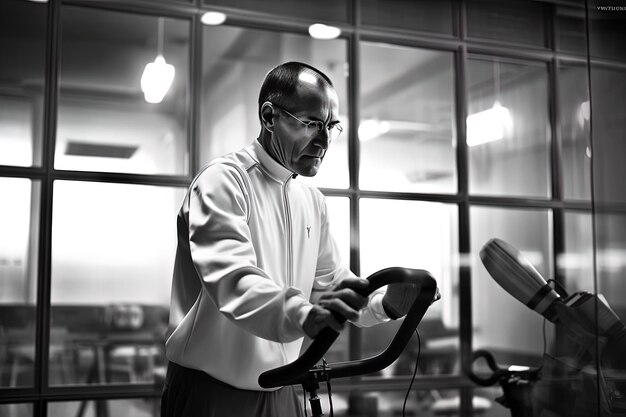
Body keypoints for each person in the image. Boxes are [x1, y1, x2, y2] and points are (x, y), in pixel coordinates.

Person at [161, 61, 432, 417]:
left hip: (284, 390)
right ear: (269, 117)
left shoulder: (311, 201)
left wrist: (386, 303)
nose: (323, 141)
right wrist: (304, 314)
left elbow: (332, 286)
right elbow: (232, 281)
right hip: (213, 394)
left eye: (330, 127)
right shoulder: (224, 182)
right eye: (311, 124)